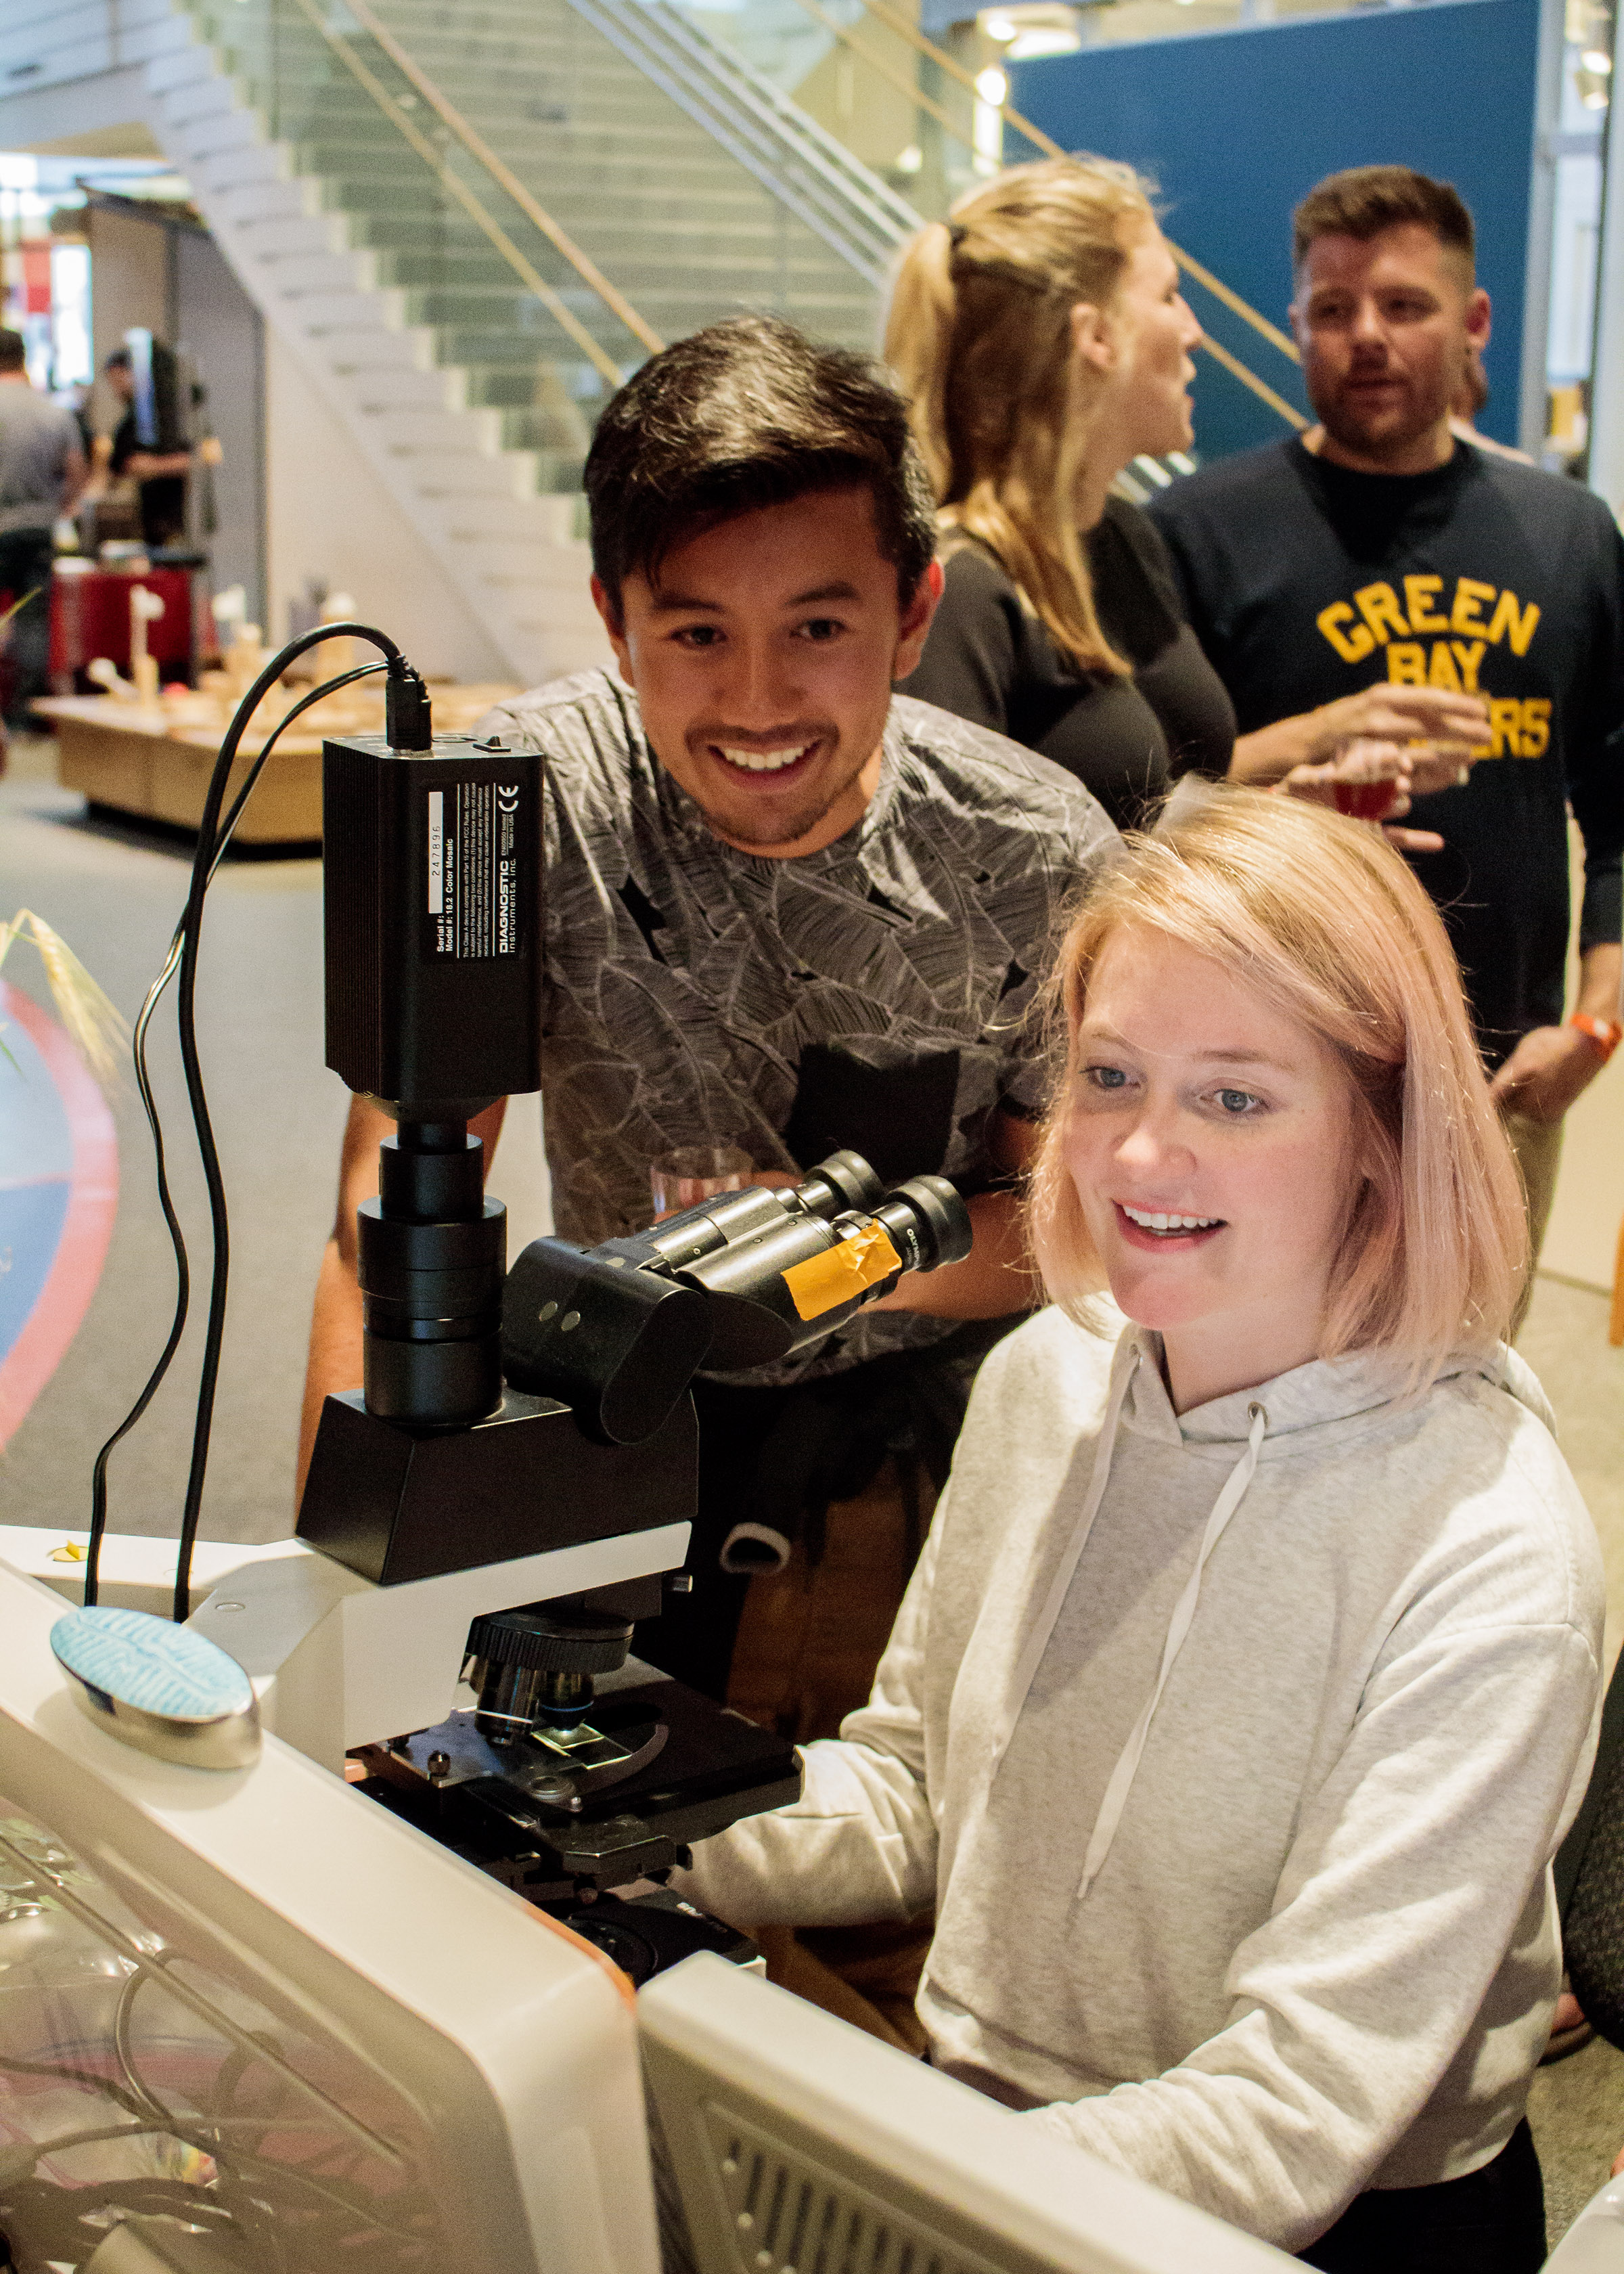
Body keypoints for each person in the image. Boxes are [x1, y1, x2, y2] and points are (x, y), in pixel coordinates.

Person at [674, 786, 1604, 2272]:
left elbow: (1296, 2111)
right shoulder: (1048, 1375)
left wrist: (893, 2190)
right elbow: (918, 1795)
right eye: (1111, 1076)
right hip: (992, 2148)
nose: (1138, 1156)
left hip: (1321, 2227)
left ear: (1383, 1127)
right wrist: (637, 1835)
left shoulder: (1488, 1547)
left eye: (1234, 1096)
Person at [298, 315, 1117, 1731]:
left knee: (863, 1881)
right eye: (694, 633)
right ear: (615, 622)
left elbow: (1072, 1225)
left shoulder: (1028, 852)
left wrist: (831, 1263)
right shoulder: (509, 813)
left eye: (818, 626)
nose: (756, 701)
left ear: (911, 613)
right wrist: (349, 1603)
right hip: (602, 1430)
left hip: (918, 1450)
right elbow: (382, 1222)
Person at [1148, 166, 1624, 1265]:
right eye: (1333, 310)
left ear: (1473, 322)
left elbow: (1621, 813)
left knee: (1461, 1401)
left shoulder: (1568, 536)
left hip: (1498, 1077)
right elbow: (1145, 823)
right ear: (1296, 323)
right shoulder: (1196, 534)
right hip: (1257, 1076)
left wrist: (1596, 1023)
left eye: (1404, 306)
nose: (1366, 336)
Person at [888, 158, 1234, 830]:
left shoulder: (1123, 537)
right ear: (1095, 337)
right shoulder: (962, 591)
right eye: (1168, 297)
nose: (1193, 331)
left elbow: (1157, 803)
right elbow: (945, 886)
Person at [0, 328, 85, 729]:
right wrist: (59, 507)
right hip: (37, 530)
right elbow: (76, 472)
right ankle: (25, 711)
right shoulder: (53, 412)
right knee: (34, 621)